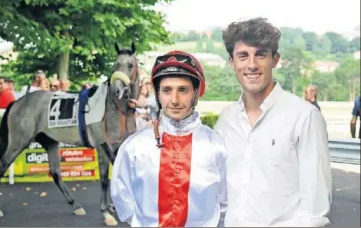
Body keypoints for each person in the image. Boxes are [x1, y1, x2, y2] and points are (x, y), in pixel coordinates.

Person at [214, 17, 332, 227]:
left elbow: (315, 209)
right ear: (232, 62)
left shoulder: (304, 117)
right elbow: (220, 197)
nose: (251, 65)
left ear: (275, 59)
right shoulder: (225, 120)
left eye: (260, 55)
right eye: (243, 56)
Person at [111, 51, 227, 227]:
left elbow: (227, 202)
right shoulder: (134, 146)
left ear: (196, 93)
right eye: (167, 90)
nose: (174, 100)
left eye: (183, 90)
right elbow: (121, 195)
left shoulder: (217, 146)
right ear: (158, 94)